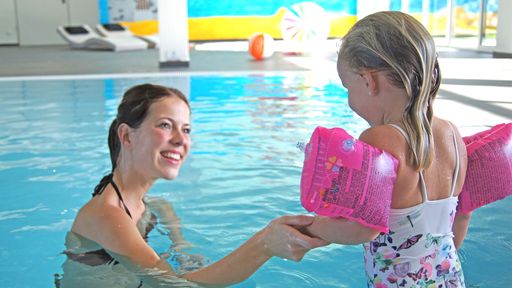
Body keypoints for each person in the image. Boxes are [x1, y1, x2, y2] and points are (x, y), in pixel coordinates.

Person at [60, 83, 327, 287]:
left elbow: (183, 257)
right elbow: (174, 285)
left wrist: (183, 251)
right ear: (127, 136)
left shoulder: (156, 209)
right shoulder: (105, 215)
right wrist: (265, 244)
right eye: (165, 125)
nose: (180, 140)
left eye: (186, 129)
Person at [303, 11, 470, 287]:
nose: (349, 99)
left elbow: (364, 228)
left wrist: (313, 227)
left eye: (348, 88)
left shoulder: (378, 140)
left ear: (369, 82)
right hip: (449, 276)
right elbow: (462, 215)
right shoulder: (452, 135)